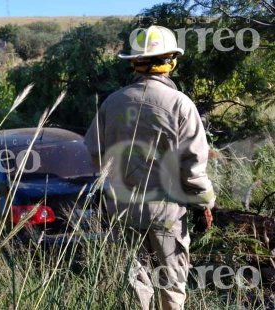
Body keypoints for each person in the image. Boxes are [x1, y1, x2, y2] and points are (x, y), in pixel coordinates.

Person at [84, 25, 215, 310]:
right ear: (171, 60)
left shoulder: (112, 103)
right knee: (172, 285)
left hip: (121, 208)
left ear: (133, 62)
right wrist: (205, 202)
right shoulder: (180, 104)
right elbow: (193, 168)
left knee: (135, 286)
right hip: (166, 210)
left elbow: (94, 153)